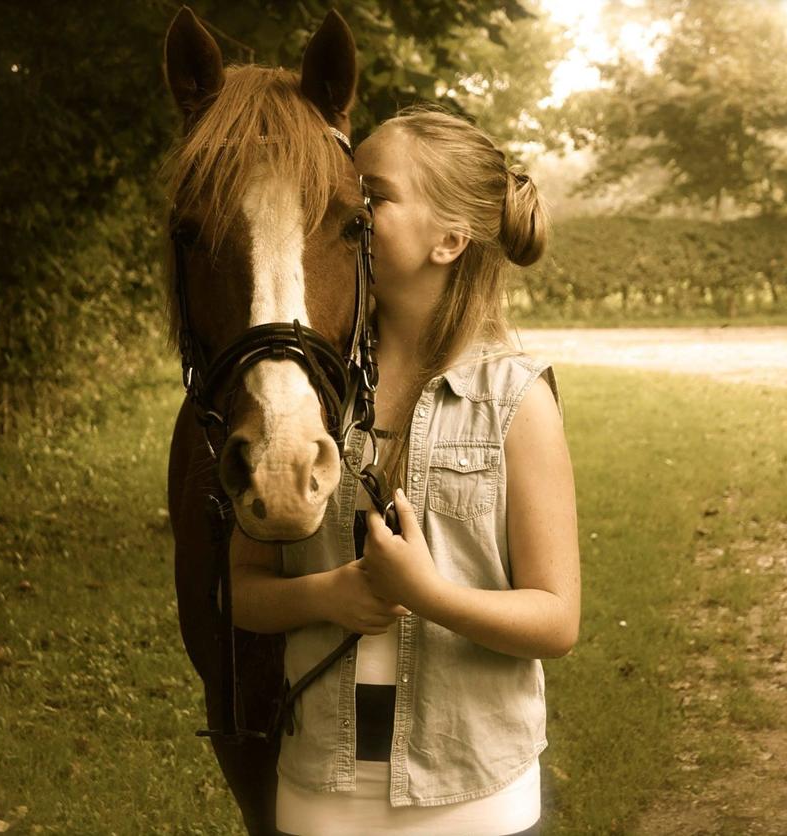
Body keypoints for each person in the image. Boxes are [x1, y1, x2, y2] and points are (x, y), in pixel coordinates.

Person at [230, 106, 581, 836]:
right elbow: (242, 593)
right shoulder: (304, 400)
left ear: (449, 240)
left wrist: (427, 594)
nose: (347, 207)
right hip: (321, 791)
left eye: (374, 195)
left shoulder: (515, 400)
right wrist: (329, 593)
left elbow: (556, 619)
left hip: (474, 796)